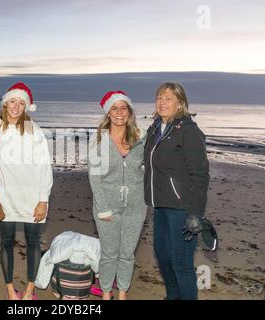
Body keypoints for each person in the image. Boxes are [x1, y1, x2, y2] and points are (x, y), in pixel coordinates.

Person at [144, 82, 210, 300]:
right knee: (163, 258)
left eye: (168, 98)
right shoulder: (155, 128)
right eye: (159, 97)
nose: (162, 102)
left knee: (181, 263)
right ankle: (172, 296)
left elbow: (200, 176)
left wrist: (195, 215)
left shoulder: (189, 132)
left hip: (181, 209)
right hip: (161, 206)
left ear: (180, 103)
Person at [0, 82, 53, 300]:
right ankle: (10, 290)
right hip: (5, 199)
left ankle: (29, 289)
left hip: (32, 198)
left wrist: (43, 199)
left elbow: (45, 166)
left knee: (33, 243)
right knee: (6, 243)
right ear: (5, 103)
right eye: (12, 101)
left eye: (21, 102)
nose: (16, 106)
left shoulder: (33, 131)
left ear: (26, 106)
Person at [88, 90, 147, 300]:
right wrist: (102, 208)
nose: (119, 112)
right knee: (109, 254)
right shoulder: (99, 142)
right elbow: (94, 178)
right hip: (107, 208)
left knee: (127, 254)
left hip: (136, 207)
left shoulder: (141, 139)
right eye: (115, 108)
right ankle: (106, 293)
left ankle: (122, 293)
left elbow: (150, 167)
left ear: (130, 113)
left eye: (124, 108)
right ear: (108, 113)